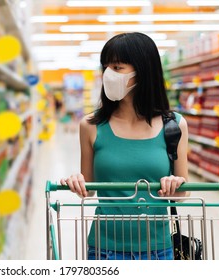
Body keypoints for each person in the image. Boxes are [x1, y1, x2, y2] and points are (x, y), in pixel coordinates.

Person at [60, 32, 189, 260]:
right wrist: (77, 181)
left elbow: (182, 193)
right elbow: (89, 189)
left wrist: (175, 183)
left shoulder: (174, 125)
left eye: (117, 67)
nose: (108, 74)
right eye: (106, 67)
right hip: (104, 249)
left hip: (158, 249)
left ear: (144, 71)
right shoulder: (91, 126)